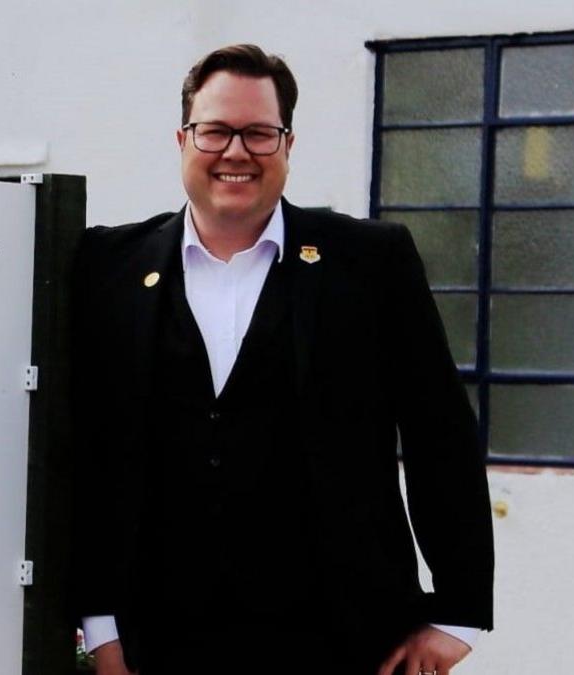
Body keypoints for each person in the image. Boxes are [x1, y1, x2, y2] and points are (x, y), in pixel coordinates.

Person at [71, 44, 494, 674]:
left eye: (259, 133)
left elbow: (442, 437)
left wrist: (457, 613)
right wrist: (101, 629)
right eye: (215, 131)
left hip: (342, 643)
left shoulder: (371, 263)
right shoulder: (109, 266)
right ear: (183, 139)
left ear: (287, 145)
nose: (236, 152)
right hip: (159, 644)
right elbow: (84, 455)